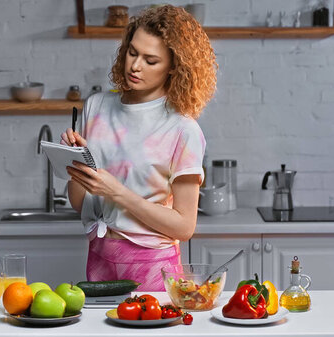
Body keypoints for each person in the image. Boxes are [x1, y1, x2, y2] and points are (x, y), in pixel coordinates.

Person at [60, 4, 217, 291]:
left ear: (174, 67)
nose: (135, 66)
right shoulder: (96, 107)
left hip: (153, 268)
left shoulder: (182, 129)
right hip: (99, 257)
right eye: (132, 52)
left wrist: (115, 191)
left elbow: (184, 227)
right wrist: (76, 166)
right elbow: (81, 203)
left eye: (150, 60)